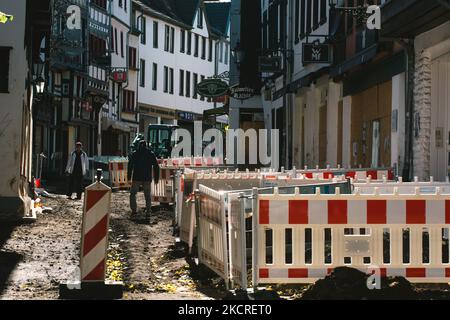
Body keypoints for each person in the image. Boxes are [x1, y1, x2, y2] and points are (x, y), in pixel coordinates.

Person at [127, 140, 160, 216]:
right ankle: (148, 211)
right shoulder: (150, 154)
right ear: (146, 145)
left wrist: (129, 177)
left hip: (136, 177)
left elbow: (130, 166)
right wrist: (156, 179)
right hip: (147, 178)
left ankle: (134, 210)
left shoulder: (135, 154)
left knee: (132, 194)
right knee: (147, 195)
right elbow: (156, 167)